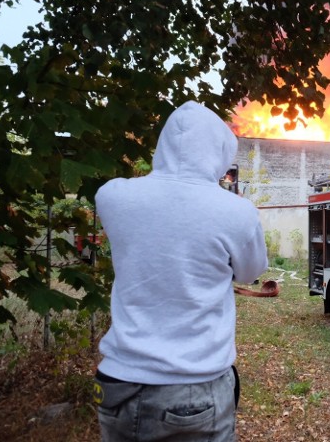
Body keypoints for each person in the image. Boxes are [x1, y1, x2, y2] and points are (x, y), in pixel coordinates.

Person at [93, 101, 268, 441]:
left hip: (117, 386)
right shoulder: (237, 213)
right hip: (193, 390)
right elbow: (250, 272)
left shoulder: (112, 196)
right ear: (218, 153)